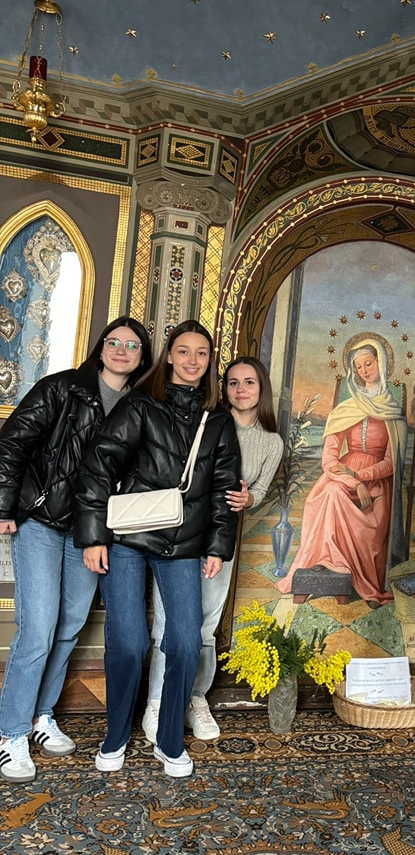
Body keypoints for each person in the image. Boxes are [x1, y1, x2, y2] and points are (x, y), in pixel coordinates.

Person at [74, 320, 240, 778]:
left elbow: (225, 488)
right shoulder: (142, 405)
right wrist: (92, 536)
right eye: (183, 351)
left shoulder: (218, 420)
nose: (192, 360)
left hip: (184, 543)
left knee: (186, 642)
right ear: (168, 356)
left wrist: (217, 547)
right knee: (127, 643)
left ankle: (169, 741)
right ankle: (115, 737)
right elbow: (99, 465)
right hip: (127, 538)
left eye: (201, 353)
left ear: (209, 362)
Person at [0, 316, 152, 783]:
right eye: (114, 342)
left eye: (132, 345)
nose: (122, 350)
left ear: (142, 357)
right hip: (44, 523)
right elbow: (11, 445)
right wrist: (6, 505)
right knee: (39, 626)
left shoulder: (142, 407)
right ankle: (10, 734)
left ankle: (43, 716)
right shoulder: (60, 388)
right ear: (100, 347)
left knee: (68, 625)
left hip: (92, 533)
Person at [142, 356, 283, 743]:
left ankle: (194, 699)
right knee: (168, 622)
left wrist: (248, 498)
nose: (240, 390)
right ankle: (157, 700)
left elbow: (261, 491)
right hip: (184, 533)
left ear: (261, 389)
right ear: (224, 388)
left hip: (222, 540)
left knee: (205, 625)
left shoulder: (272, 442)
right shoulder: (205, 422)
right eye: (233, 383)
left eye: (249, 382)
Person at [276, 334, 407, 607]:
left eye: (368, 364)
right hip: (341, 475)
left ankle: (356, 575)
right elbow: (329, 456)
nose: (363, 371)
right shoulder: (345, 409)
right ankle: (327, 561)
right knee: (331, 493)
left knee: (347, 503)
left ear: (380, 364)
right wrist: (349, 478)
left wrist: (361, 478)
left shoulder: (393, 412)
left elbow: (390, 463)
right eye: (358, 367)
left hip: (375, 483)